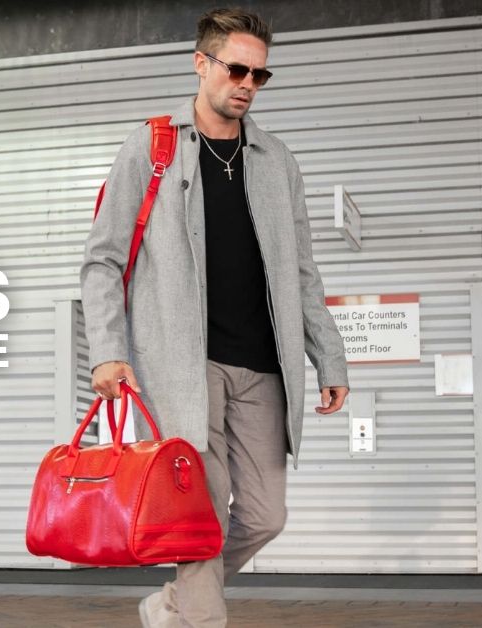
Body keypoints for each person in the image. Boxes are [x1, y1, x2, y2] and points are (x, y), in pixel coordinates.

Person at [80, 8, 350, 627]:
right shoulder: (152, 147)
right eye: (236, 70)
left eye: (260, 75)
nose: (247, 84)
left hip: (264, 368)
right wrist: (107, 350)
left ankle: (173, 604)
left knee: (265, 515)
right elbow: (102, 260)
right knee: (201, 514)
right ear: (201, 64)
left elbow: (302, 271)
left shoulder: (276, 161)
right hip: (183, 365)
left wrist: (329, 357)